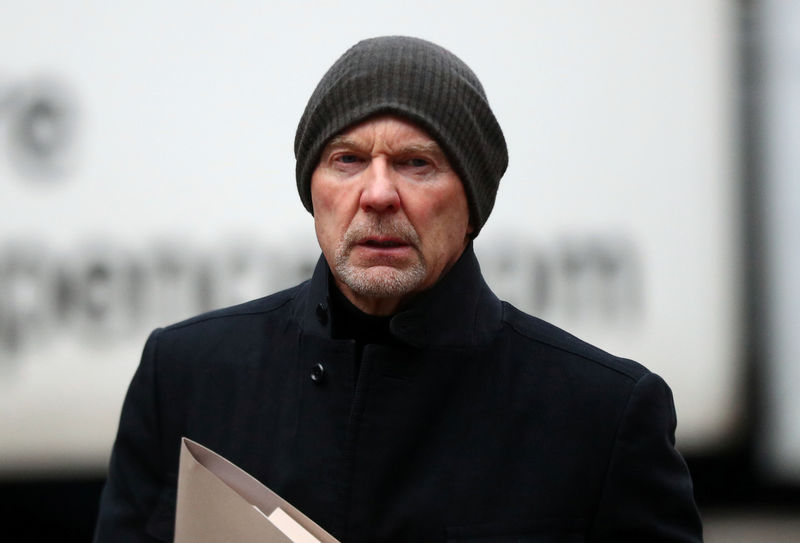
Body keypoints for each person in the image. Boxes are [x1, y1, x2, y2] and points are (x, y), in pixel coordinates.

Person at [94, 36, 703, 542]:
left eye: (418, 163)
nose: (379, 194)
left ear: (472, 205)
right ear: (314, 193)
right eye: (347, 159)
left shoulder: (603, 416)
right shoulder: (185, 376)